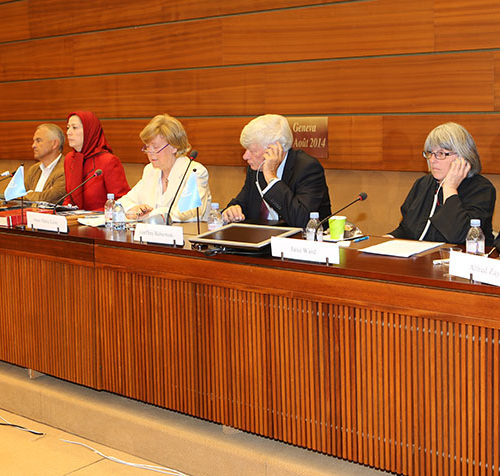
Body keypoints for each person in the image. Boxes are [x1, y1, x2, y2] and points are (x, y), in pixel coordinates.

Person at [388, 122, 496, 245]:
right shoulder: (422, 184)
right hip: (420, 261)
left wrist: (450, 188)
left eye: (441, 153)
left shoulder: (482, 189)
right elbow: (406, 230)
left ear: (463, 157)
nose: (432, 160)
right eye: (430, 153)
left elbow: (460, 236)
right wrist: (387, 238)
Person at [222, 114, 331, 228]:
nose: (245, 156)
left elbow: (303, 220)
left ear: (275, 149)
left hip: (297, 242)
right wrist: (233, 209)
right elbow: (242, 202)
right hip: (262, 240)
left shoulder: (307, 168)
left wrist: (271, 177)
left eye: (252, 151)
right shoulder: (255, 169)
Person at [118, 114, 211, 222]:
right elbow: (124, 202)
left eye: (156, 147)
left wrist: (152, 214)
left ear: (174, 147)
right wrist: (133, 209)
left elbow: (190, 213)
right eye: (148, 147)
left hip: (186, 236)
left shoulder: (194, 172)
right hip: (152, 235)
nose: (150, 153)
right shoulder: (150, 171)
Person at [64, 111, 130, 210]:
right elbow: (69, 198)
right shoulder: (70, 159)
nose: (68, 132)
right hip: (75, 221)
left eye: (74, 127)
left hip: (100, 222)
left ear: (89, 131)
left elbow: (121, 201)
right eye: (68, 127)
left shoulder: (109, 161)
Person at [24, 123, 66, 203]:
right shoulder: (33, 169)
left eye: (38, 141)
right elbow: (19, 199)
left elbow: (51, 198)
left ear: (54, 144)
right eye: (34, 141)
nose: (33, 145)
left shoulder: (66, 168)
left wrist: (27, 195)